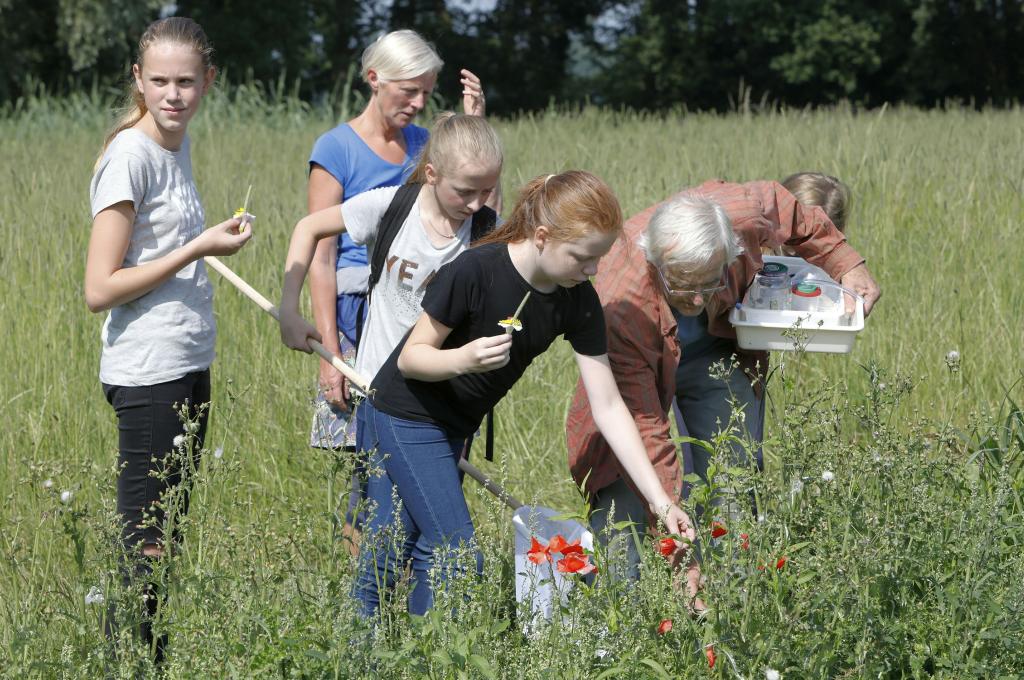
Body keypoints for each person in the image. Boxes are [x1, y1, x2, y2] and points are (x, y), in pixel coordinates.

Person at [291, 170, 697, 617]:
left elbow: (608, 405)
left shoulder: (576, 299)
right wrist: (465, 359)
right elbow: (411, 358)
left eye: (599, 258)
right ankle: (361, 658)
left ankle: (426, 657)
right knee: (453, 553)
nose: (592, 270)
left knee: (422, 548)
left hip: (453, 426)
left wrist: (661, 501)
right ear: (542, 236)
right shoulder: (476, 270)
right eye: (582, 257)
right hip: (403, 414)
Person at [565, 176, 882, 580]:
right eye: (684, 285)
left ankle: (732, 593)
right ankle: (620, 612)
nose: (697, 300)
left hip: (715, 347)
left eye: (710, 282)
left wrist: (846, 262)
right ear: (656, 262)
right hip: (640, 370)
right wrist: (672, 530)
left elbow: (789, 207)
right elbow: (645, 429)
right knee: (623, 494)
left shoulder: (744, 212)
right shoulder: (622, 304)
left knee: (734, 470)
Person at [84, 17, 252, 662]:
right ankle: (129, 660)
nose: (172, 94)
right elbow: (100, 286)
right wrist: (199, 247)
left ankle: (148, 655)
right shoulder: (131, 156)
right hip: (147, 368)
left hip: (186, 359)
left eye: (186, 81)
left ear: (208, 81)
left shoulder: (174, 145)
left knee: (168, 531)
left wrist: (207, 243)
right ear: (138, 79)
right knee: (147, 536)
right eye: (159, 81)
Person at [279, 111, 503, 468]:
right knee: (367, 510)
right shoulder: (389, 206)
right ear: (431, 174)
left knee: (432, 518)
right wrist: (288, 310)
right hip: (377, 392)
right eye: (464, 191)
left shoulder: (489, 231)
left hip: (445, 405)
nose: (476, 204)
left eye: (486, 191)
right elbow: (308, 228)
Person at [306, 29, 489, 455]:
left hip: (427, 307)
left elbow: (477, 213)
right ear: (374, 79)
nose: (420, 103)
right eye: (409, 91)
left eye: (426, 92)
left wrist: (474, 125)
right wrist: (330, 355)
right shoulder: (336, 149)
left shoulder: (427, 144)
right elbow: (321, 256)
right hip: (357, 310)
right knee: (361, 459)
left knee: (427, 445)